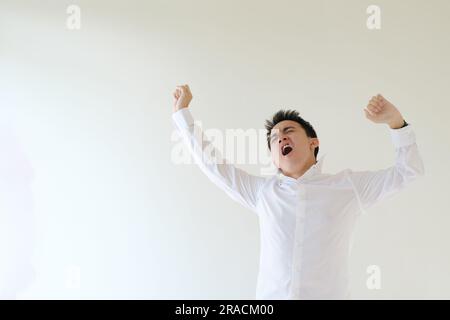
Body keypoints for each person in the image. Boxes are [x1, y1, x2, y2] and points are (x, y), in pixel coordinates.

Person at [171, 84, 424, 299]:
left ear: (313, 143)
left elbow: (408, 172)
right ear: (273, 159)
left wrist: (396, 123)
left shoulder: (348, 187)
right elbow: (214, 166)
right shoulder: (262, 193)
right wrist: (183, 114)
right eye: (274, 138)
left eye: (289, 131)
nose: (281, 137)